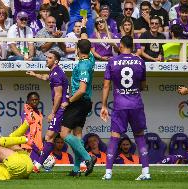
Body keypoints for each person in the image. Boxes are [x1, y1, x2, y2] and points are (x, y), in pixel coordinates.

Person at [100, 35, 150, 180]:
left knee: (114, 138)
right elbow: (143, 86)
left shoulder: (112, 61)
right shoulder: (140, 61)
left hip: (120, 105)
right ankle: (146, 172)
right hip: (136, 104)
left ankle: (108, 173)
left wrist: (103, 105)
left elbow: (106, 85)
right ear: (133, 46)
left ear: (121, 46)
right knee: (140, 137)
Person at [59, 18, 96, 177]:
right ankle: (76, 169)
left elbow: (81, 90)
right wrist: (84, 24)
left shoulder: (82, 65)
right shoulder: (91, 58)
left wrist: (68, 101)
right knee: (76, 135)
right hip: (84, 103)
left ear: (78, 49)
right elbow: (85, 42)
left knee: (64, 134)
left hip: (79, 101)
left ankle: (88, 158)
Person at [26, 50, 69, 172]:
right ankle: (83, 161)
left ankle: (37, 165)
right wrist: (35, 75)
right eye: (46, 57)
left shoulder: (56, 74)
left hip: (61, 109)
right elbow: (46, 77)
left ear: (55, 61)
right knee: (65, 136)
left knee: (50, 136)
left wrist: (53, 112)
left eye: (49, 58)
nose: (46, 59)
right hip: (63, 108)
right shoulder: (55, 72)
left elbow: (58, 95)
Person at [20, 92, 43, 163]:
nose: (34, 101)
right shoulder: (26, 113)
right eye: (32, 100)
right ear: (28, 101)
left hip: (38, 147)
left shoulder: (38, 113)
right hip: (29, 148)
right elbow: (27, 134)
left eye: (36, 99)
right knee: (31, 171)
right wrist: (37, 150)